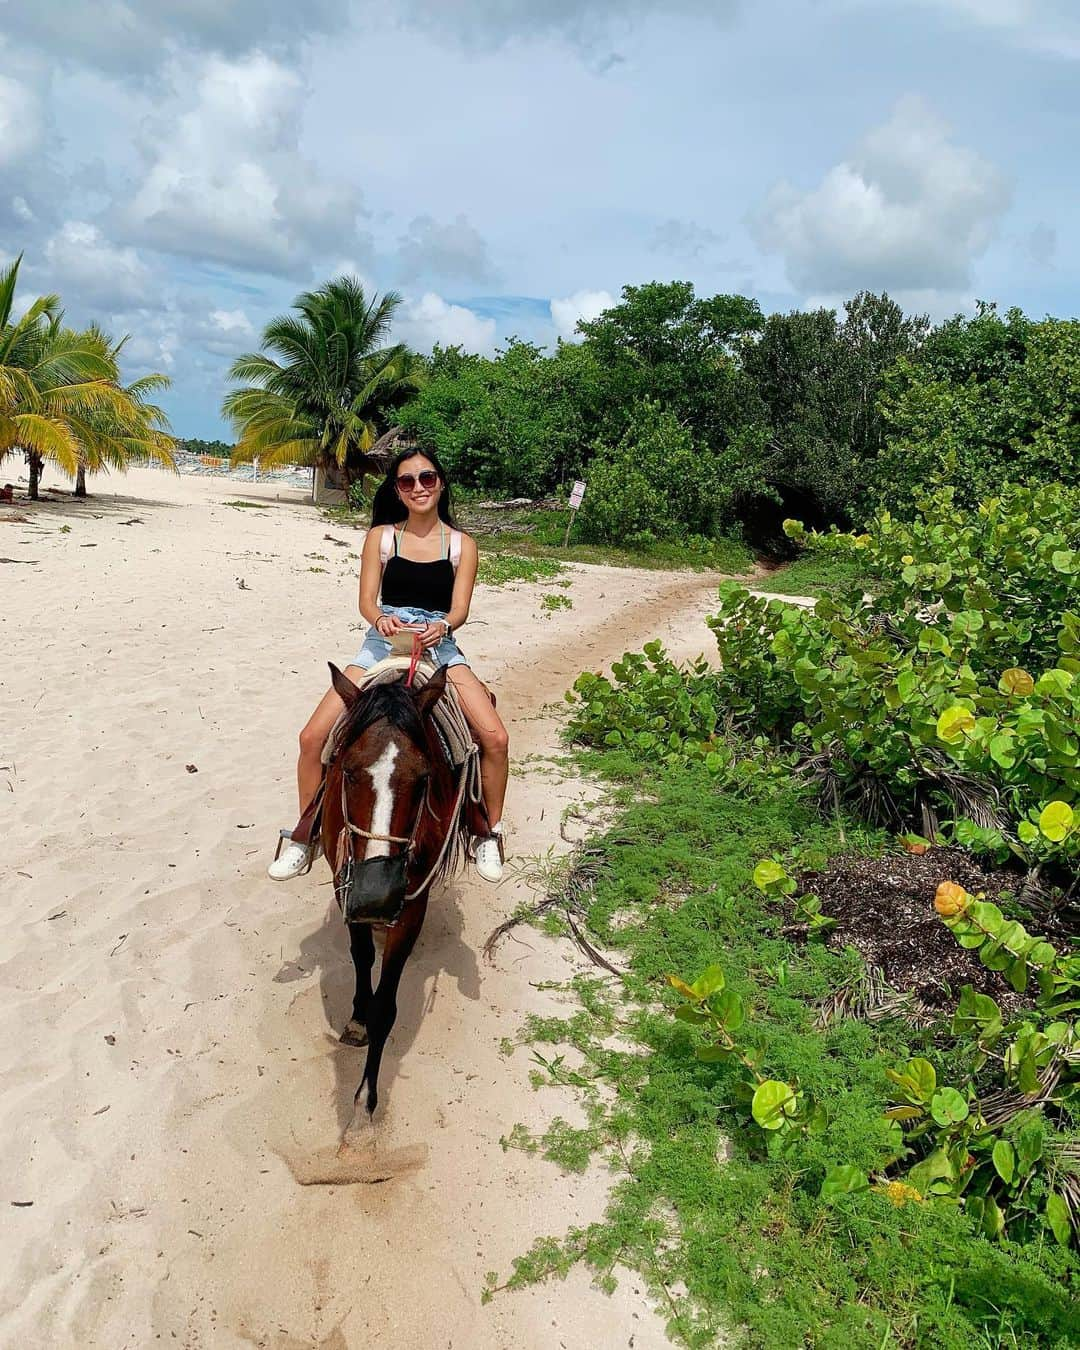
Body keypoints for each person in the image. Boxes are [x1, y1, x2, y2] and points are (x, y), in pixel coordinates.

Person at [268, 445, 509, 884]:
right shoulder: (382, 537)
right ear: (397, 491)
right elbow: (366, 601)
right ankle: (307, 836)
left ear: (440, 483)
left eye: (427, 478)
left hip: (439, 646)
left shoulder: (462, 545)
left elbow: (460, 610)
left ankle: (486, 833)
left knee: (494, 737)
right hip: (381, 644)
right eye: (407, 481)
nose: (418, 487)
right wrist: (381, 618)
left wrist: (442, 626)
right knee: (311, 738)